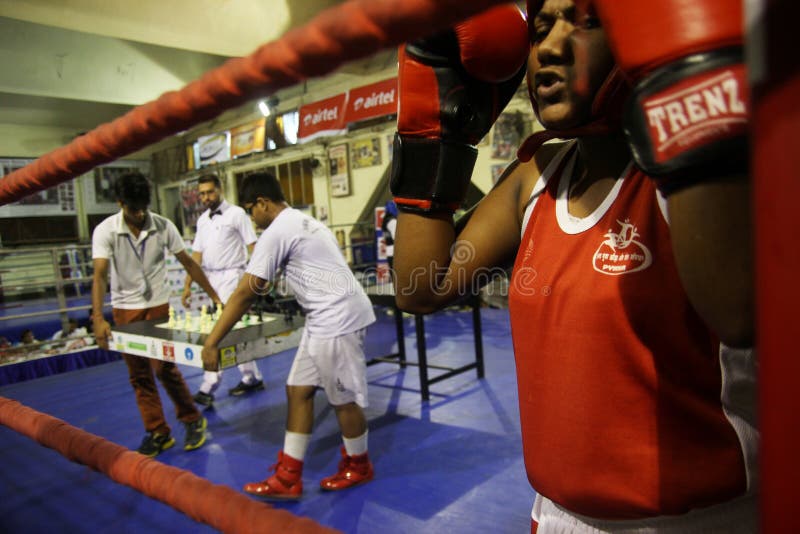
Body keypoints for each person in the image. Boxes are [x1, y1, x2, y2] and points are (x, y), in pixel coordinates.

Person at [390, 1, 756, 532]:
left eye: (587, 22)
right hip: (557, 516)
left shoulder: (688, 174)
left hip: (700, 520)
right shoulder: (535, 176)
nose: (551, 47)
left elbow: (737, 313)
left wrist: (689, 80)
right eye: (540, 28)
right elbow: (421, 287)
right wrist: (435, 135)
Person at [201, 171, 376, 500]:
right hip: (321, 319)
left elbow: (245, 293)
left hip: (336, 319)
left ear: (263, 203)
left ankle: (360, 464)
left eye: (251, 210)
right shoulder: (298, 220)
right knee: (298, 390)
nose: (252, 220)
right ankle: (288, 477)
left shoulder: (278, 230)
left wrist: (213, 341)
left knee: (343, 399)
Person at [92, 171, 222, 457]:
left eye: (143, 208)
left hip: (158, 307)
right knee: (138, 374)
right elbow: (100, 275)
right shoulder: (105, 231)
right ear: (120, 203)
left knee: (164, 368)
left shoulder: (163, 226)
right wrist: (98, 318)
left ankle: (192, 419)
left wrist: (214, 295)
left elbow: (188, 263)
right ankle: (158, 431)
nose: (139, 215)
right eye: (133, 209)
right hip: (125, 308)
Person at [182, 173, 264, 407]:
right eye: (202, 194)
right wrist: (188, 285)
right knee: (232, 332)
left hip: (233, 276)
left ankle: (209, 385)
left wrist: (257, 279)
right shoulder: (202, 221)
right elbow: (195, 257)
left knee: (219, 331)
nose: (206, 197)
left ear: (220, 190)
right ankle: (252, 377)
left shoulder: (237, 214)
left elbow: (253, 247)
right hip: (210, 279)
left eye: (210, 192)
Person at [381, 199, 398, 279]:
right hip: (395, 254)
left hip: (390, 253)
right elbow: (397, 238)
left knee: (395, 278)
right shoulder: (392, 221)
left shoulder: (385, 220)